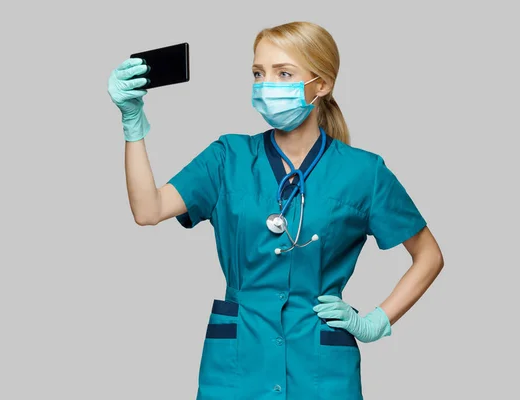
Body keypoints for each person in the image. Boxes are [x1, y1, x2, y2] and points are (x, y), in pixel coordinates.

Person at [107, 21, 444, 400]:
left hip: (320, 367)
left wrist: (374, 322)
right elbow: (147, 210)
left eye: (284, 73)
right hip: (236, 365)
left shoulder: (364, 173)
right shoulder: (227, 158)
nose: (267, 84)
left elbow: (428, 256)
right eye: (258, 73)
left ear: (323, 84)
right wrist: (132, 125)